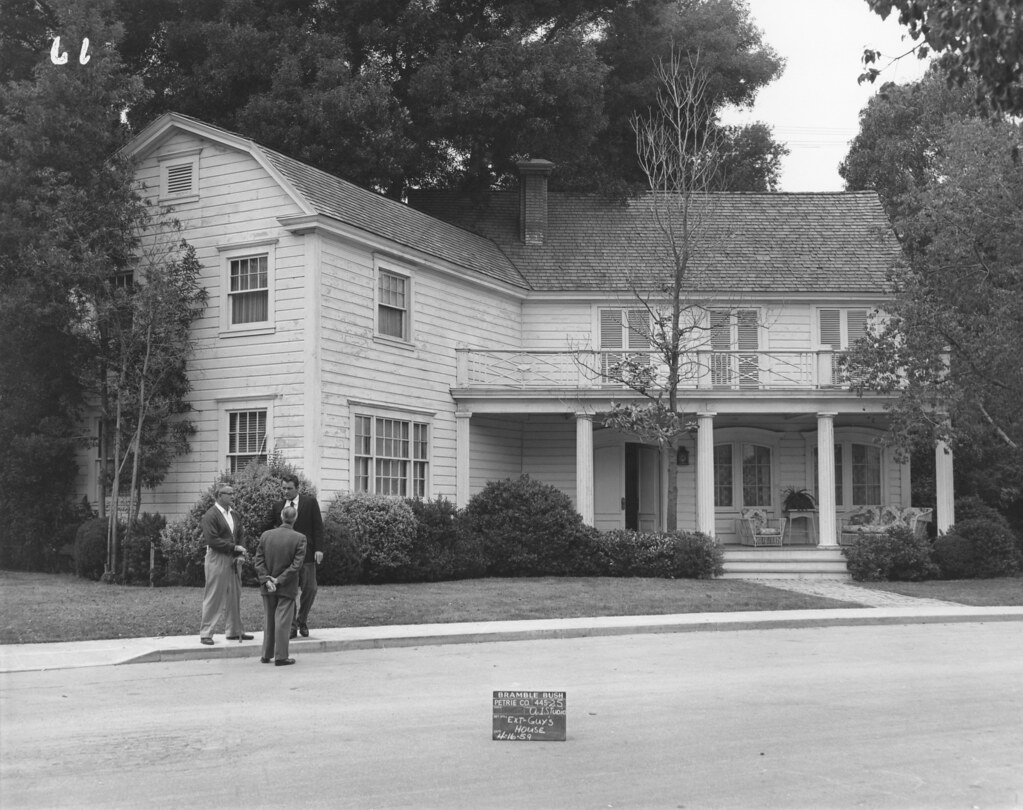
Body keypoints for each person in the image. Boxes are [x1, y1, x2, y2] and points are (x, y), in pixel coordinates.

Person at [266, 474, 324, 639]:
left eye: (289, 488)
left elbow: (318, 527)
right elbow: (266, 527)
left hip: (307, 555)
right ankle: (291, 626)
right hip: (286, 557)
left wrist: (319, 549)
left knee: (310, 588)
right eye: (283, 488)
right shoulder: (278, 506)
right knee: (289, 591)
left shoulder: (310, 502)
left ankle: (302, 620)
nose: (286, 491)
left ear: (297, 488)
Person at [198, 484, 251, 645]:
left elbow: (240, 534)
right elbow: (212, 540)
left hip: (234, 558)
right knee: (214, 594)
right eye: (229, 493)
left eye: (233, 493)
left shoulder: (234, 514)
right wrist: (234, 547)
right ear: (219, 495)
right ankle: (206, 633)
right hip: (217, 557)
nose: (233, 496)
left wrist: (241, 553)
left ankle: (234, 631)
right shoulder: (211, 515)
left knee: (234, 595)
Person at [254, 505, 306, 666]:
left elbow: (259, 561)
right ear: (295, 518)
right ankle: (281, 656)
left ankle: (266, 654)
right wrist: (279, 579)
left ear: (282, 517)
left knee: (269, 619)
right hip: (286, 586)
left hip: (267, 586)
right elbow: (296, 565)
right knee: (283, 622)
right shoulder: (300, 538)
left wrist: (267, 580)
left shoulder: (266, 536)